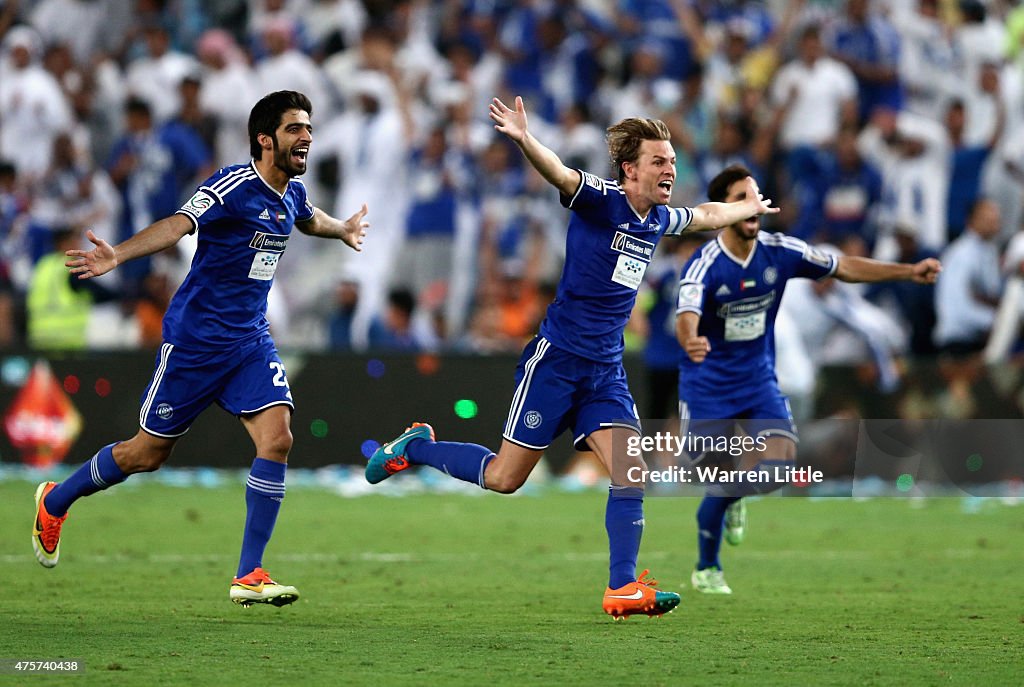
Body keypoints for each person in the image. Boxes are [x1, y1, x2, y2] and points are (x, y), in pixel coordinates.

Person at [366, 96, 779, 619]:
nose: (670, 168)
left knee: (631, 470)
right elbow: (560, 173)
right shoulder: (603, 200)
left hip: (605, 369)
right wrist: (523, 137)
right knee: (504, 479)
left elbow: (706, 214)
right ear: (630, 169)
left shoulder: (658, 219)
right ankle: (417, 448)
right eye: (659, 160)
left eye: (672, 161)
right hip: (557, 360)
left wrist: (750, 208)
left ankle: (622, 587)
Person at [31, 91, 370, 607]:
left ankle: (249, 573)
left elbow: (307, 217)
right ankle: (55, 501)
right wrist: (117, 255)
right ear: (265, 138)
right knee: (146, 454)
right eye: (296, 129)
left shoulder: (292, 193)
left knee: (277, 438)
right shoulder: (233, 185)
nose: (307, 137)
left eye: (309, 128)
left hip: (249, 342)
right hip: (194, 343)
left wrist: (342, 228)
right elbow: (178, 224)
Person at [674, 164, 941, 595]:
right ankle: (721, 520)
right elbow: (685, 315)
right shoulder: (705, 265)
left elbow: (845, 267)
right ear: (721, 210)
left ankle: (708, 567)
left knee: (776, 469)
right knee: (708, 473)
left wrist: (908, 271)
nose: (754, 204)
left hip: (757, 379)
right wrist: (690, 340)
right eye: (742, 197)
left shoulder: (780, 251)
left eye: (757, 195)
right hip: (706, 383)